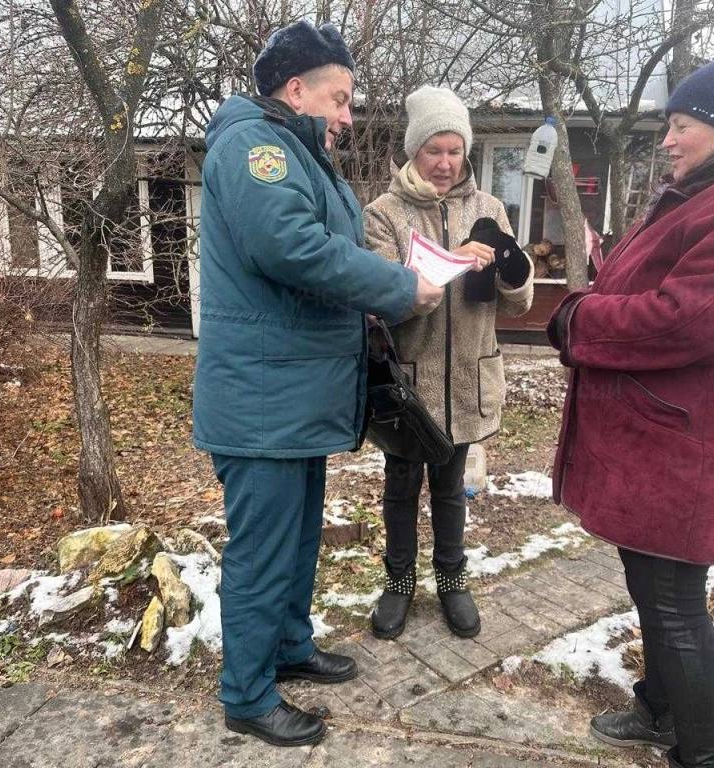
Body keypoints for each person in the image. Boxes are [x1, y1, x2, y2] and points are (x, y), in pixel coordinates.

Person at [546, 54, 714, 768]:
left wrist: (581, 321)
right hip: (664, 433)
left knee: (675, 602)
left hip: (689, 442)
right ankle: (661, 712)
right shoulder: (708, 192)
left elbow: (693, 320)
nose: (668, 139)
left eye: (682, 124)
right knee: (654, 588)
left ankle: (701, 754)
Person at [192, 20, 444, 748]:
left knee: (298, 539)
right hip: (261, 402)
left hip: (294, 398)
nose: (347, 115)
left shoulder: (299, 151)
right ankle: (245, 693)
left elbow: (336, 249)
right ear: (294, 89)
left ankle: (289, 647)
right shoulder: (253, 147)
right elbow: (293, 248)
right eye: (338, 98)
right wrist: (399, 286)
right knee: (263, 549)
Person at [363, 86, 534, 641]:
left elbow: (518, 300)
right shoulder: (383, 215)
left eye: (453, 150)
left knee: (452, 486)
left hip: (467, 380)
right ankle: (399, 584)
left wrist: (511, 267)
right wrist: (443, 266)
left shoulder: (490, 211)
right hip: (409, 386)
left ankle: (452, 581)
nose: (444, 163)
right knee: (401, 485)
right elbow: (381, 299)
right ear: (413, 152)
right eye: (432, 150)